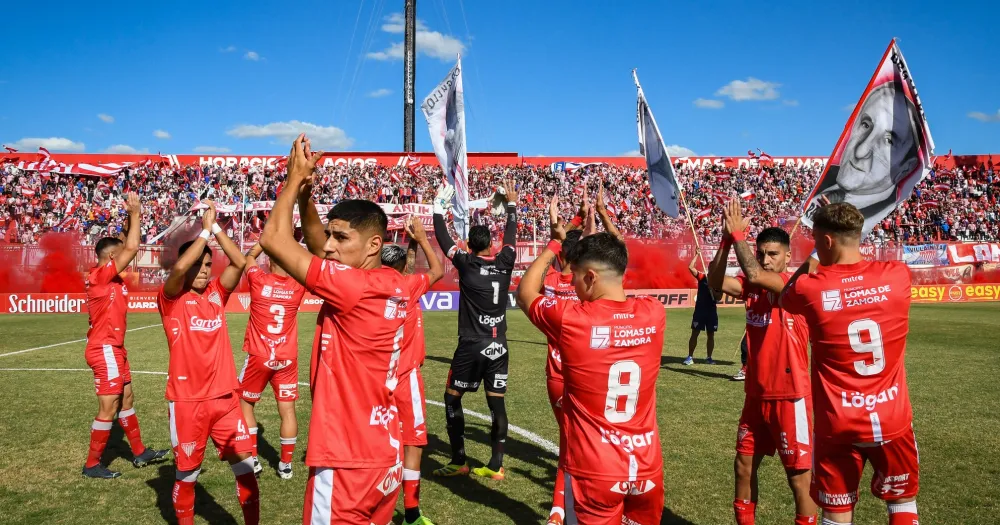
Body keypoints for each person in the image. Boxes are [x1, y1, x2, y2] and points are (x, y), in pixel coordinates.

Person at [259, 135, 419, 524]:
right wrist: (304, 201)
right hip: (385, 456)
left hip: (344, 457)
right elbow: (318, 246)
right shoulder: (397, 284)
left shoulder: (350, 287)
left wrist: (293, 178)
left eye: (341, 238)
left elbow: (273, 240)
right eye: (331, 235)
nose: (329, 246)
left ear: (373, 245)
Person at [517, 201, 665, 525]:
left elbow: (525, 292)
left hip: (594, 471)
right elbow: (620, 262)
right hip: (646, 467)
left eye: (578, 277)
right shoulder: (654, 312)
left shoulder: (573, 320)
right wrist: (608, 222)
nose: (572, 284)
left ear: (591, 277)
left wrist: (555, 242)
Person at [781, 203, 920, 525]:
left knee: (836, 511)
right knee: (902, 502)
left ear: (825, 242)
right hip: (891, 417)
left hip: (838, 421)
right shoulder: (897, 275)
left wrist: (816, 252)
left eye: (815, 239)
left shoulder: (810, 288)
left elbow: (786, 295)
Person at [708, 198, 815, 525]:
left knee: (798, 479)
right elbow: (713, 285)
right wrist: (727, 243)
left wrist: (739, 236)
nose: (766, 260)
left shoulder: (793, 284)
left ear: (787, 256)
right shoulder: (749, 286)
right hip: (756, 395)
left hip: (790, 395)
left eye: (773, 254)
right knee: (742, 466)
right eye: (762, 254)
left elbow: (754, 273)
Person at [157, 201, 258, 525]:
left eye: (207, 264)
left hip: (226, 400)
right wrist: (202, 231)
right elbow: (175, 271)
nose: (203, 270)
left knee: (246, 472)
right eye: (197, 264)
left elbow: (240, 261)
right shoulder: (172, 299)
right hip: (188, 403)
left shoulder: (216, 293)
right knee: (187, 475)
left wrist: (215, 229)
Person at [432, 180, 518, 481]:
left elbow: (444, 241)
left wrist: (437, 209)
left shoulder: (466, 263)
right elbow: (511, 236)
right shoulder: (506, 260)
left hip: (471, 344)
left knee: (452, 398)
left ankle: (459, 460)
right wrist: (511, 205)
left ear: (470, 245)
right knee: (497, 402)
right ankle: (496, 465)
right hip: (500, 345)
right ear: (491, 245)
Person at [81, 192, 168, 479]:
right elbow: (131, 246)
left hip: (116, 348)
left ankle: (140, 452)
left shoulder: (112, 278)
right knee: (109, 406)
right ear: (110, 258)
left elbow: (126, 244)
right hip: (104, 348)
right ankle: (92, 465)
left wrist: (126, 225)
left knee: (127, 399)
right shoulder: (100, 276)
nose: (128, 261)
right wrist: (135, 213)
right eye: (121, 257)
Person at [380, 216, 445, 525]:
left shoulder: (368, 288)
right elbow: (438, 270)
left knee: (377, 441)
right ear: (403, 268)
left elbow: (403, 266)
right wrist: (420, 238)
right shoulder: (409, 286)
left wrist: (409, 244)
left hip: (375, 378)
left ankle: (372, 506)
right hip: (406, 377)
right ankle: (412, 512)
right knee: (414, 442)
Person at [806, 79, 927, 235]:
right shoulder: (823, 181)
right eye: (865, 124)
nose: (860, 151)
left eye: (888, 141)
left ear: (905, 167)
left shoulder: (878, 217)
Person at [237, 243, 306, 480]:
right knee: (287, 410)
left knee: (245, 404)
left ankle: (253, 459)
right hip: (287, 358)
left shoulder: (259, 280)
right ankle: (286, 465)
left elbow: (249, 257)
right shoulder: (298, 286)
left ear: (269, 262)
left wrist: (261, 244)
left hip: (259, 355)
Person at [685, 255, 717, 366]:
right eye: (711, 267)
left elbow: (719, 296)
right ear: (708, 268)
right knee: (695, 333)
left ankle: (709, 357)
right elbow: (690, 267)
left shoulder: (718, 281)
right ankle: (690, 357)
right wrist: (697, 255)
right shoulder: (702, 277)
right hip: (700, 310)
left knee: (711, 334)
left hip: (711, 311)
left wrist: (713, 291)